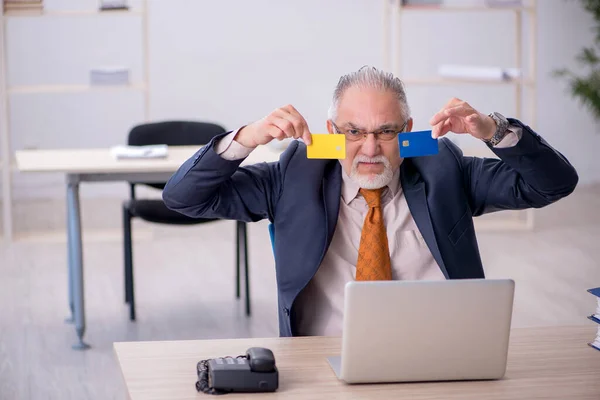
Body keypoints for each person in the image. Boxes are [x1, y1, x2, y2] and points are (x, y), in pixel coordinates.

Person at [162, 66, 578, 338]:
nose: (370, 149)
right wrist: (247, 138)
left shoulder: (443, 169)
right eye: (354, 132)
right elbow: (184, 198)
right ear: (331, 131)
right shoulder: (295, 175)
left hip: (441, 353)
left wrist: (493, 130)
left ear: (409, 131)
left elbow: (552, 185)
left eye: (386, 131)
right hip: (323, 358)